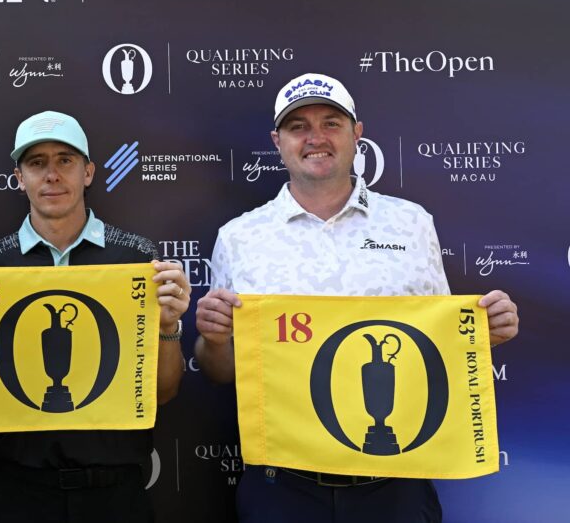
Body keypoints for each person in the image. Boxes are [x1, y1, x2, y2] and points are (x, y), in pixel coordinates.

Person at [194, 73, 521, 523]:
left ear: (357, 134)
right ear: (277, 141)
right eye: (298, 127)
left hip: (396, 482)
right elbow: (221, 371)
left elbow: (441, 346)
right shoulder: (238, 237)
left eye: (331, 123)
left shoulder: (411, 224)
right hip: (284, 486)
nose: (315, 138)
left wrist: (484, 335)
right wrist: (213, 340)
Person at [0, 111, 189, 523]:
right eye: (37, 163)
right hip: (17, 492)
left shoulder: (137, 261)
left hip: (116, 493)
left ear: (88, 172)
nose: (52, 174)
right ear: (19, 178)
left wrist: (168, 327)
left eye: (65, 160)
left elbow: (162, 393)